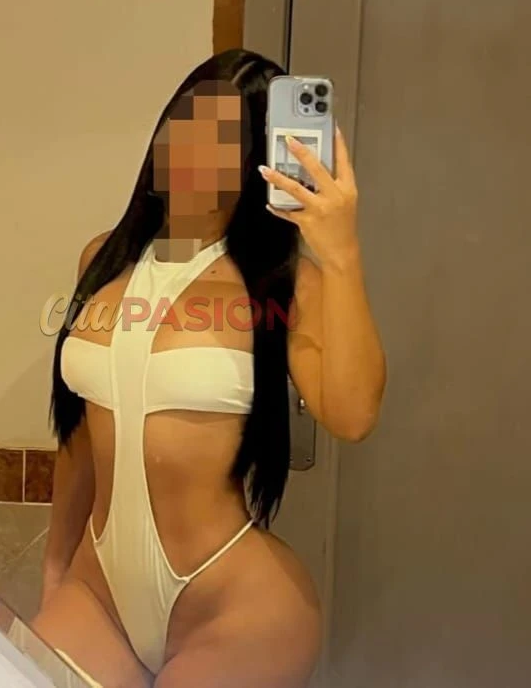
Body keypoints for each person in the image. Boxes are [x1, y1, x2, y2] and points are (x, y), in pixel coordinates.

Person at [30, 49, 386, 688]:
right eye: (186, 119)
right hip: (97, 595)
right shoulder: (102, 260)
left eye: (223, 137)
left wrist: (341, 253)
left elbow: (353, 415)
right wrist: (55, 569)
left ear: (256, 161)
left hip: (236, 610)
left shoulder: (286, 285)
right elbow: (80, 436)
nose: (191, 145)